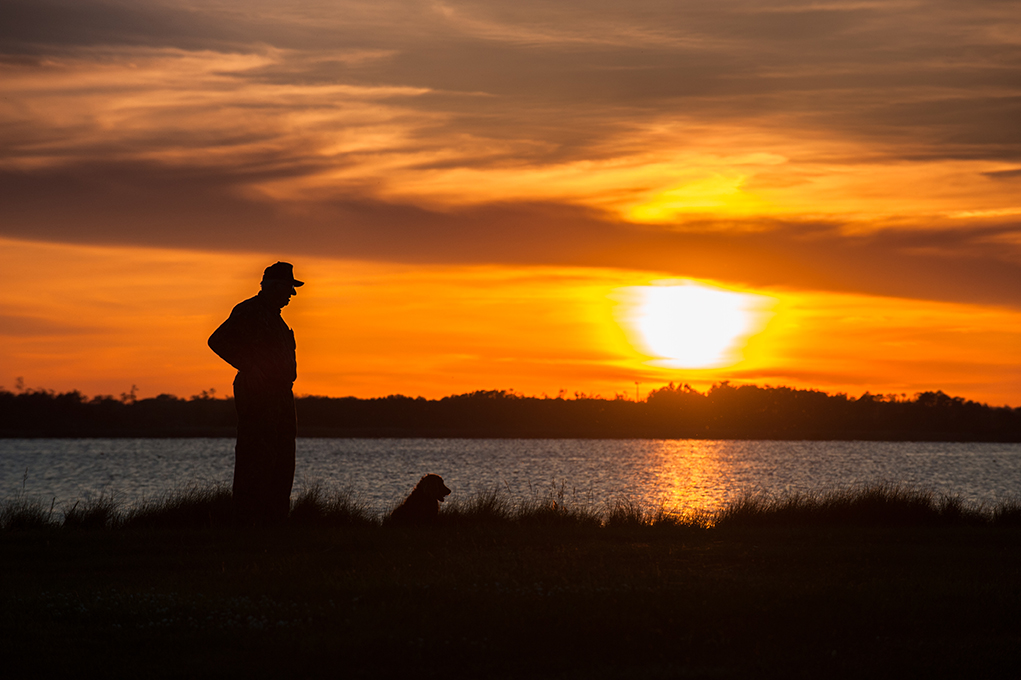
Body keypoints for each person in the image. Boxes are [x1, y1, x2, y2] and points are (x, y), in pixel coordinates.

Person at [208, 262, 303, 525]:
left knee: (282, 461)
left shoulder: (275, 317)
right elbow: (217, 340)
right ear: (273, 287)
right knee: (256, 460)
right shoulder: (249, 311)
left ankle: (274, 523)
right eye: (288, 288)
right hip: (260, 397)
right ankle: (248, 523)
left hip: (282, 396)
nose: (292, 294)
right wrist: (248, 365)